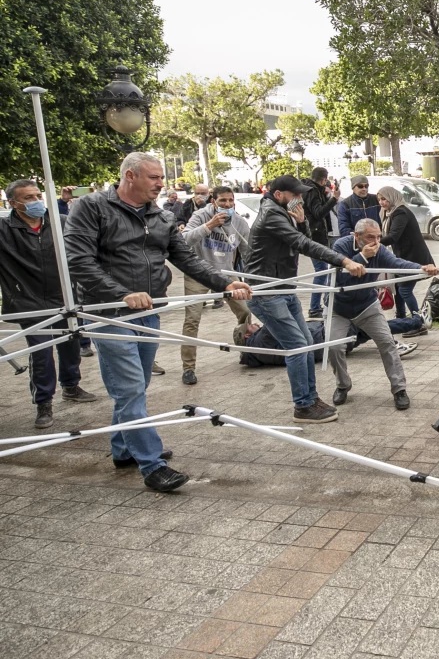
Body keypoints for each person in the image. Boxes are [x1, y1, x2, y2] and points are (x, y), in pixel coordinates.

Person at [65, 153, 253, 492]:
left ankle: (124, 449)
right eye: (154, 177)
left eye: (161, 178)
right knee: (130, 387)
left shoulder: (162, 215)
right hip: (105, 312)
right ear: (130, 176)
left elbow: (186, 259)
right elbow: (78, 261)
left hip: (148, 311)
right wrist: (121, 293)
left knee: (134, 388)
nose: (161, 183)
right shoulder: (91, 207)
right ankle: (152, 464)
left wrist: (225, 284)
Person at [243, 175, 366, 424]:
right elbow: (303, 244)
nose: (300, 198)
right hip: (267, 292)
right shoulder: (272, 214)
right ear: (279, 195)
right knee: (298, 346)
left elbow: (302, 239)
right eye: (295, 195)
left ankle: (311, 397)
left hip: (283, 288)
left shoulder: (281, 212)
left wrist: (302, 222)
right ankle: (303, 405)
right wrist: (344, 260)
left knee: (308, 342)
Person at [0, 180, 96, 430]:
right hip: (29, 301)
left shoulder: (59, 223)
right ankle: (43, 403)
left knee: (71, 344)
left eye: (37, 196)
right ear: (14, 203)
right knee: (41, 353)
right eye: (28, 198)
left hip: (64, 297)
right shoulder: (3, 230)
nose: (35, 202)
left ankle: (71, 386)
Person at [328, 219, 438, 410]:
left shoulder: (380, 249)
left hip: (366, 305)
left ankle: (399, 389)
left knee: (387, 342)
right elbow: (338, 278)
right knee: (334, 347)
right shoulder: (341, 246)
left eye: (379, 236)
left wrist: (422, 269)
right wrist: (362, 257)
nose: (376, 241)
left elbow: (397, 263)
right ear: (357, 236)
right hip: (339, 308)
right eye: (371, 237)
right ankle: (343, 385)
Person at [180, 185, 253, 386]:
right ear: (213, 201)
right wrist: (209, 226)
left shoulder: (239, 222)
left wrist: (252, 276)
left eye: (231, 201)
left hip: (226, 276)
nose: (227, 205)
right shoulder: (200, 215)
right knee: (192, 319)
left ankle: (249, 352)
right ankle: (188, 368)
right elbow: (183, 240)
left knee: (246, 312)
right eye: (223, 201)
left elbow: (249, 251)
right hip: (198, 273)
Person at [377, 184, 435, 327]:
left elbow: (394, 236)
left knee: (404, 290)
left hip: (412, 258)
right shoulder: (389, 213)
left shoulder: (400, 212)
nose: (382, 203)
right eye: (379, 200)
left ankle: (418, 323)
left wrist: (374, 241)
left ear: (392, 197)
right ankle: (401, 318)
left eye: (384, 199)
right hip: (402, 257)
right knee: (398, 288)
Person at [301, 167, 341, 320]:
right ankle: (314, 307)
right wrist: (334, 199)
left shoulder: (311, 190)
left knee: (323, 270)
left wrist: (326, 196)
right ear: (324, 179)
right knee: (322, 270)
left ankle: (318, 305)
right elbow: (318, 213)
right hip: (316, 235)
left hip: (315, 234)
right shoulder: (312, 192)